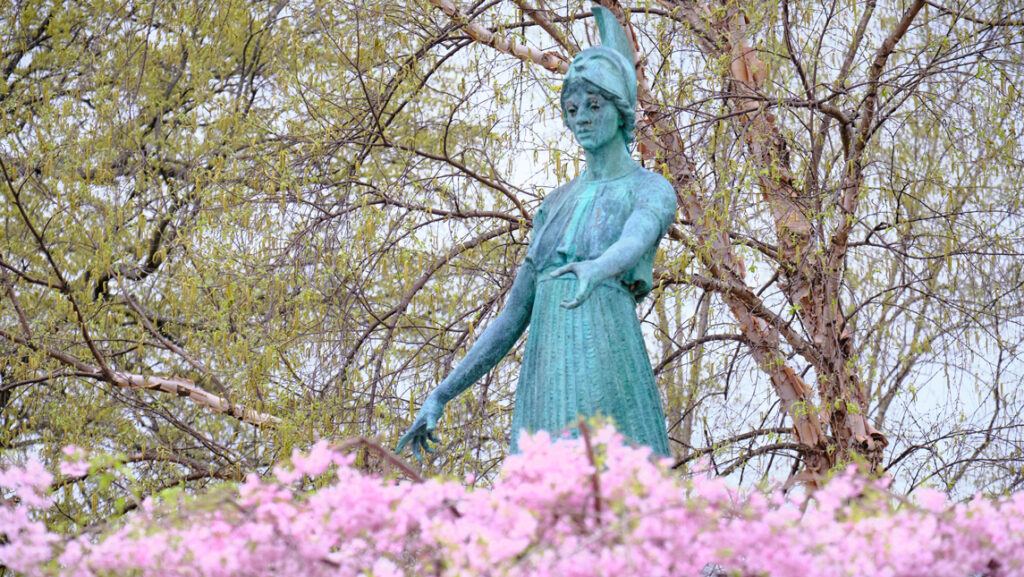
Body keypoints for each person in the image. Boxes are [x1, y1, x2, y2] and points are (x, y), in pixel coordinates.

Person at [397, 5, 676, 460]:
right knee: (540, 504)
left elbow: (635, 239)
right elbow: (512, 317)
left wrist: (598, 268)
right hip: (547, 370)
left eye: (594, 104)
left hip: (605, 356)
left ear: (620, 109)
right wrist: (443, 393)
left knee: (614, 490)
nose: (582, 116)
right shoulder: (555, 204)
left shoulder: (649, 188)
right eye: (572, 108)